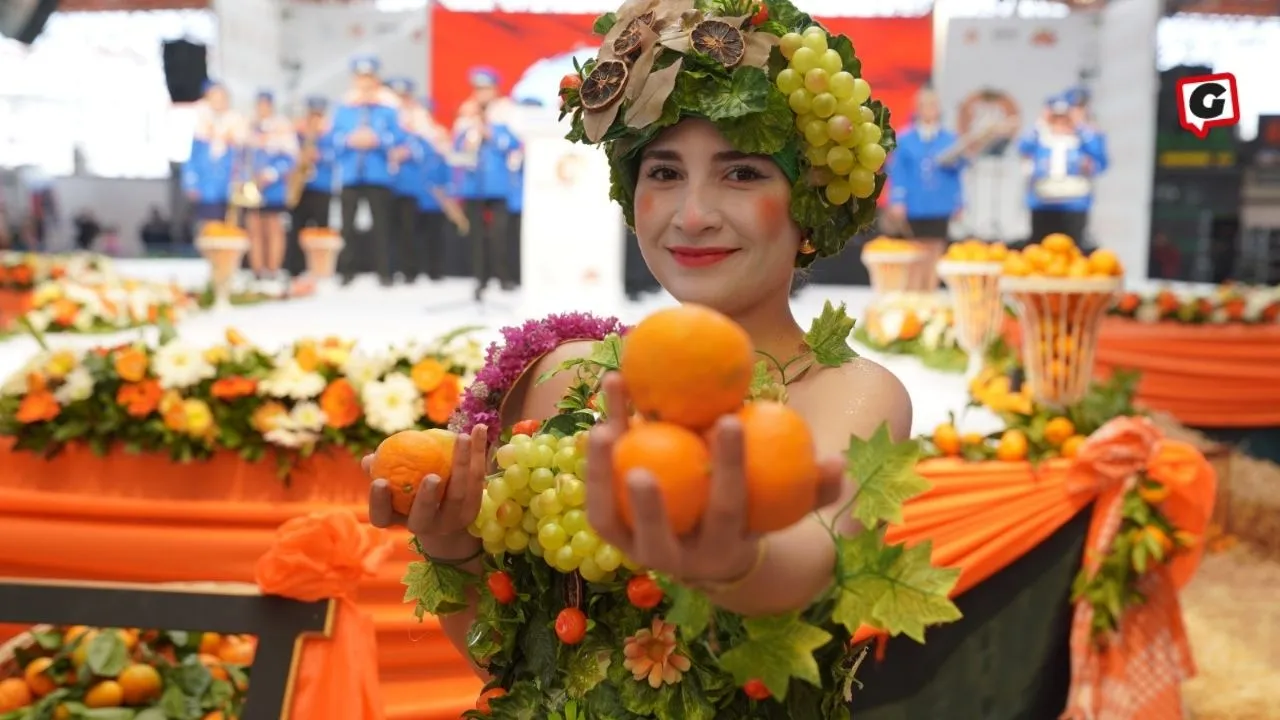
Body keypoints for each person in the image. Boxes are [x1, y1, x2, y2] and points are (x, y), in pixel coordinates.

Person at [365, 2, 1087, 717]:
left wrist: (736, 564)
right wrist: (451, 546)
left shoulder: (846, 395)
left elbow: (806, 558)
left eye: (741, 174)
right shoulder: (565, 375)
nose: (694, 213)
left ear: (810, 205)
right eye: (665, 172)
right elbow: (509, 662)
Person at [885, 85, 968, 291]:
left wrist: (959, 202)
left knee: (936, 250)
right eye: (925, 105)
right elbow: (899, 172)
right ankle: (914, 292)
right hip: (915, 203)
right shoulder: (905, 140)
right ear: (918, 109)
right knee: (915, 249)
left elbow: (958, 173)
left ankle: (930, 290)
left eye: (933, 105)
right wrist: (897, 200)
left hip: (940, 203)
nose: (929, 110)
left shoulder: (950, 140)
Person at [332, 55, 404, 287]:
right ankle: (346, 271)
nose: (365, 83)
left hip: (377, 174)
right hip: (351, 173)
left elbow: (398, 137)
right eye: (361, 78)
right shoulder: (344, 108)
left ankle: (384, 271)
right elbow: (332, 137)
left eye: (369, 78)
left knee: (381, 225)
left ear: (376, 80)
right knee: (347, 225)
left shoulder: (387, 109)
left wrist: (377, 140)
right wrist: (349, 139)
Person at [451, 67, 519, 301]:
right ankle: (480, 279)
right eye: (478, 89)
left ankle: (503, 276)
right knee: (477, 236)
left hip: (498, 185)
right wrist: (469, 131)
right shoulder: (466, 117)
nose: (481, 94)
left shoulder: (505, 113)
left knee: (500, 234)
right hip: (474, 186)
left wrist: (490, 133)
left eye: (486, 88)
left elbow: (512, 143)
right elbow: (457, 151)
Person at [1019, 95, 1107, 250]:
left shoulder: (1082, 139)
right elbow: (1023, 147)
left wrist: (1080, 126)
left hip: (1074, 204)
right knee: (1040, 248)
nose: (1060, 123)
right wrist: (1041, 122)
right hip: (1043, 203)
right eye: (1055, 118)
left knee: (1073, 248)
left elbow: (1100, 159)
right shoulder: (1040, 138)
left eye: (1064, 118)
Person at [244, 91, 298, 282]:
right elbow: (242, 158)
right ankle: (257, 269)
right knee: (254, 227)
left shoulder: (282, 128)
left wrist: (271, 174)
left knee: (274, 228)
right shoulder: (249, 128)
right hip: (252, 186)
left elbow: (291, 159)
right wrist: (248, 177)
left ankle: (274, 268)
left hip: (274, 187)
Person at [286, 96, 337, 276]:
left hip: (321, 186)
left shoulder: (330, 134)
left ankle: (321, 268)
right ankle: (295, 268)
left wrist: (320, 155)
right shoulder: (298, 133)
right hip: (301, 187)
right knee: (297, 228)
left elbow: (336, 156)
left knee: (321, 229)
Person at [183, 80, 242, 235]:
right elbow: (191, 160)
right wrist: (191, 184)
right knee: (207, 226)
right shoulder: (199, 127)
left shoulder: (236, 125)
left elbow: (242, 159)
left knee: (229, 226)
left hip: (229, 187)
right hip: (206, 187)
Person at [386, 77, 426, 284]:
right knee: (388, 229)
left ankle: (410, 270)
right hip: (387, 182)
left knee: (409, 229)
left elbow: (425, 148)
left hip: (409, 183)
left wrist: (408, 151)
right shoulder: (386, 115)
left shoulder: (416, 118)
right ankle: (389, 270)